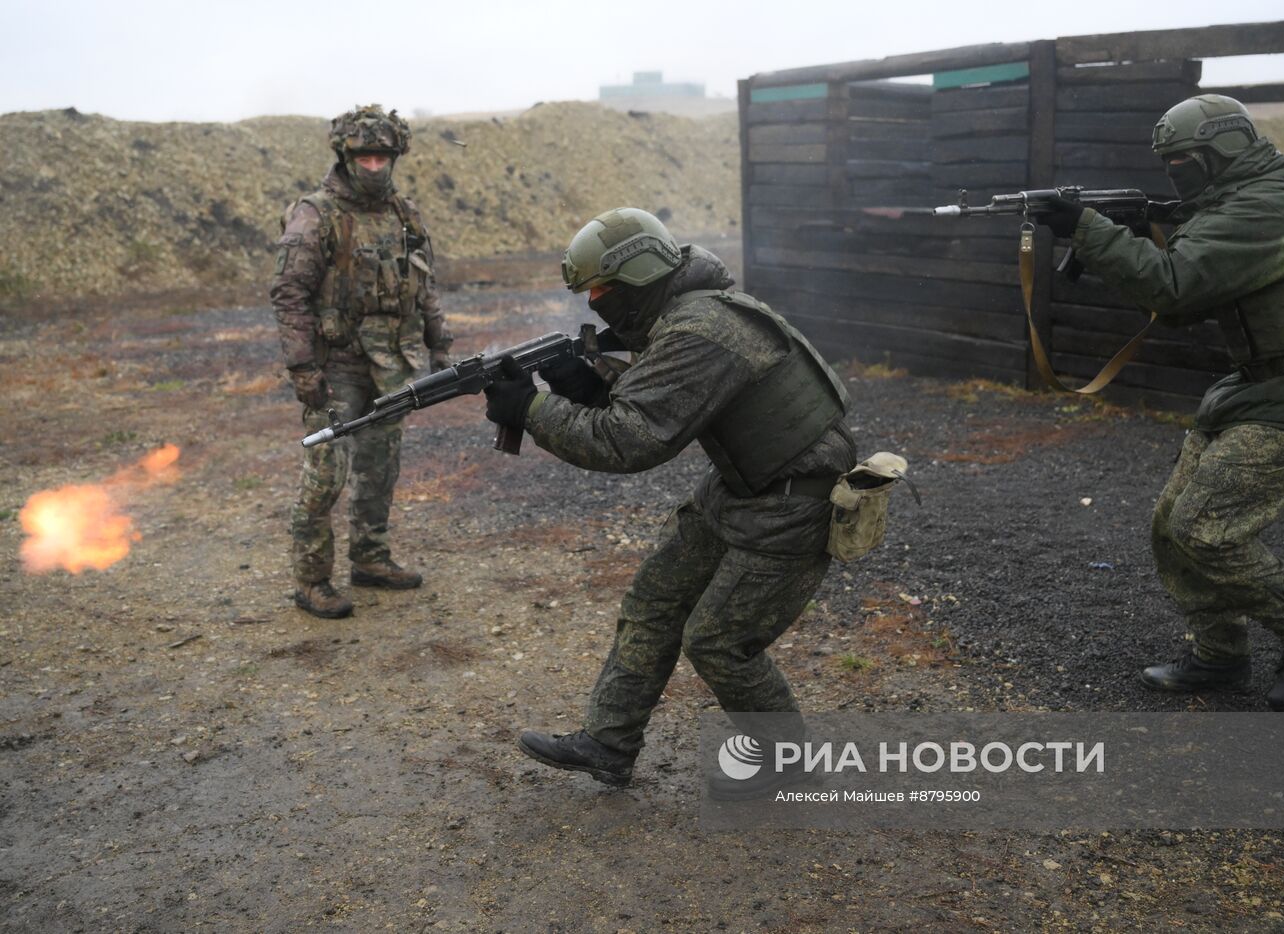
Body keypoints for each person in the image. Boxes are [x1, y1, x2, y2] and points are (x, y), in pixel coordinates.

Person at [483, 208, 856, 796]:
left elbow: (631, 441)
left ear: (640, 276)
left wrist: (531, 411)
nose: (596, 303)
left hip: (794, 501)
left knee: (719, 642)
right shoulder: (690, 315)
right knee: (656, 598)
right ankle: (609, 743)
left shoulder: (701, 329)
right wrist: (590, 388)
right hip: (744, 483)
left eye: (603, 290)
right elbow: (652, 403)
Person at [1041, 94, 1284, 711]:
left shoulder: (1264, 212)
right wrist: (1115, 231)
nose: (1176, 174)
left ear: (1220, 153)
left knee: (1205, 528)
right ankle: (1219, 655)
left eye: (1184, 162)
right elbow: (1185, 301)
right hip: (1261, 386)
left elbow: (1171, 287)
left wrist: (1088, 228)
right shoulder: (1234, 209)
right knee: (1171, 527)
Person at [270, 105, 453, 619]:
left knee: (380, 468)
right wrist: (303, 368)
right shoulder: (316, 215)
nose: (374, 166)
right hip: (338, 367)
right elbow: (289, 294)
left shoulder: (404, 213)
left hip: (393, 363)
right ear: (345, 156)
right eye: (364, 157)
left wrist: (442, 345)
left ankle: (371, 558)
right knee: (326, 474)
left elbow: (425, 285)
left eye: (383, 156)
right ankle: (311, 581)